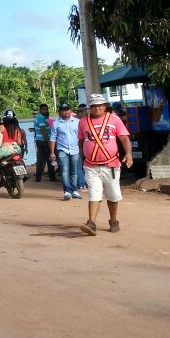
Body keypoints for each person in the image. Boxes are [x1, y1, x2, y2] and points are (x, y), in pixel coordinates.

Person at [77, 93, 133, 235]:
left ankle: (113, 220)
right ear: (90, 108)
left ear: (105, 106)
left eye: (100, 105)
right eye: (94, 106)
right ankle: (91, 223)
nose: (97, 108)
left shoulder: (114, 119)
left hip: (111, 165)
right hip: (91, 165)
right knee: (94, 194)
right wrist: (83, 155)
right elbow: (81, 141)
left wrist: (128, 154)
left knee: (113, 195)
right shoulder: (83, 121)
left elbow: (124, 138)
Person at [49, 102, 82, 201]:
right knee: (64, 171)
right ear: (60, 112)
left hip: (75, 149)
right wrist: (52, 152)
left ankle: (74, 190)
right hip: (62, 150)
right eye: (63, 110)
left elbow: (81, 136)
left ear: (71, 110)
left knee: (74, 171)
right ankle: (67, 191)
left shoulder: (77, 122)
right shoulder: (56, 123)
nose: (66, 112)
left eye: (67, 109)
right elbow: (52, 138)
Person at [33, 103, 57, 183]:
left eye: (46, 109)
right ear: (40, 110)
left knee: (40, 160)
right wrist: (49, 142)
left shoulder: (38, 117)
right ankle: (52, 177)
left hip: (39, 140)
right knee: (49, 159)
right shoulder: (41, 117)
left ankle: (38, 178)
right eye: (43, 109)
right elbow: (43, 130)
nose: (45, 111)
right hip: (44, 141)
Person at [74, 104, 89, 191]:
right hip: (78, 147)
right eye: (78, 111)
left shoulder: (83, 122)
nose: (79, 113)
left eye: (81, 111)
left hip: (85, 147)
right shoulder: (79, 122)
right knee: (80, 166)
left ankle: (82, 184)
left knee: (82, 167)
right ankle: (82, 184)